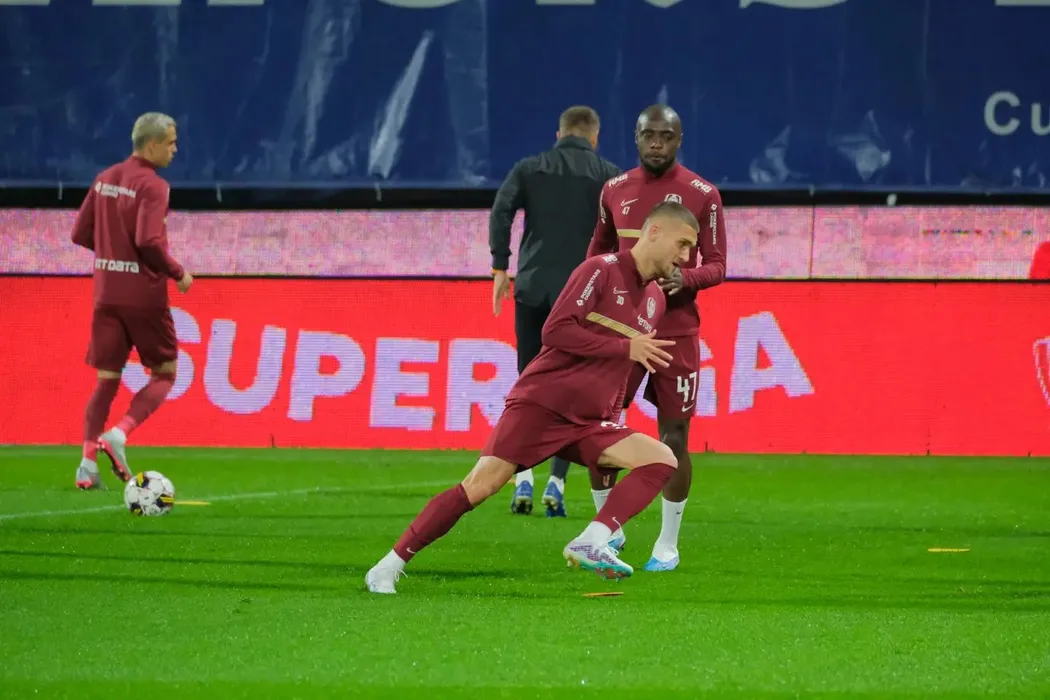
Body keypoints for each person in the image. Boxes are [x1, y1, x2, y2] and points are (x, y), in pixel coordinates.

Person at [366, 201, 700, 594]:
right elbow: (555, 331)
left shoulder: (656, 300)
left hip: (590, 421)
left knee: (661, 459)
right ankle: (388, 566)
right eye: (682, 244)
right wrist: (624, 348)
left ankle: (592, 539)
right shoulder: (601, 270)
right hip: (543, 405)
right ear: (654, 232)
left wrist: (615, 409)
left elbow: (624, 368)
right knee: (481, 485)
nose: (686, 257)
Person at [586, 104, 727, 572]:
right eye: (649, 135)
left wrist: (686, 279)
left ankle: (667, 544)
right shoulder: (614, 190)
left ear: (679, 139)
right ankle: (608, 531)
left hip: (676, 332)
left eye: (666, 136)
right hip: (621, 331)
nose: (657, 143)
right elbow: (598, 253)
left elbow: (718, 265)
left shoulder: (703, 194)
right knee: (600, 427)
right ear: (636, 137)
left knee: (674, 437)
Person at [489, 105, 621, 518]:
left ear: (559, 134)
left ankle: (521, 477)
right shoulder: (609, 177)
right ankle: (557, 483)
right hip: (582, 296)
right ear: (594, 138)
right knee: (572, 389)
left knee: (528, 382)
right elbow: (624, 231)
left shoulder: (530, 167)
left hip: (532, 288)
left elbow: (502, 208)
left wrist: (500, 265)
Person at [72, 112, 193, 490]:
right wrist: (177, 272)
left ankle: (87, 466)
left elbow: (80, 233)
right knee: (165, 372)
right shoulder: (154, 186)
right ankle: (119, 434)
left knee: (107, 379)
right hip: (143, 295)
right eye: (171, 143)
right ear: (152, 144)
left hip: (106, 292)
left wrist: (113, 255)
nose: (175, 149)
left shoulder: (105, 178)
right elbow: (148, 241)